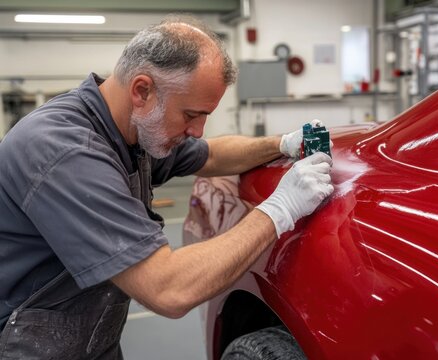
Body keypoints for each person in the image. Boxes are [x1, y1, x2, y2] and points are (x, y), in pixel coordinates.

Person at [0, 15, 333, 358]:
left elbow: (212, 154)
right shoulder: (64, 150)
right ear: (142, 90)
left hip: (88, 342)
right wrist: (280, 208)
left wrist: (281, 144)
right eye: (191, 115)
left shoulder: (133, 129)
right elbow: (168, 288)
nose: (199, 130)